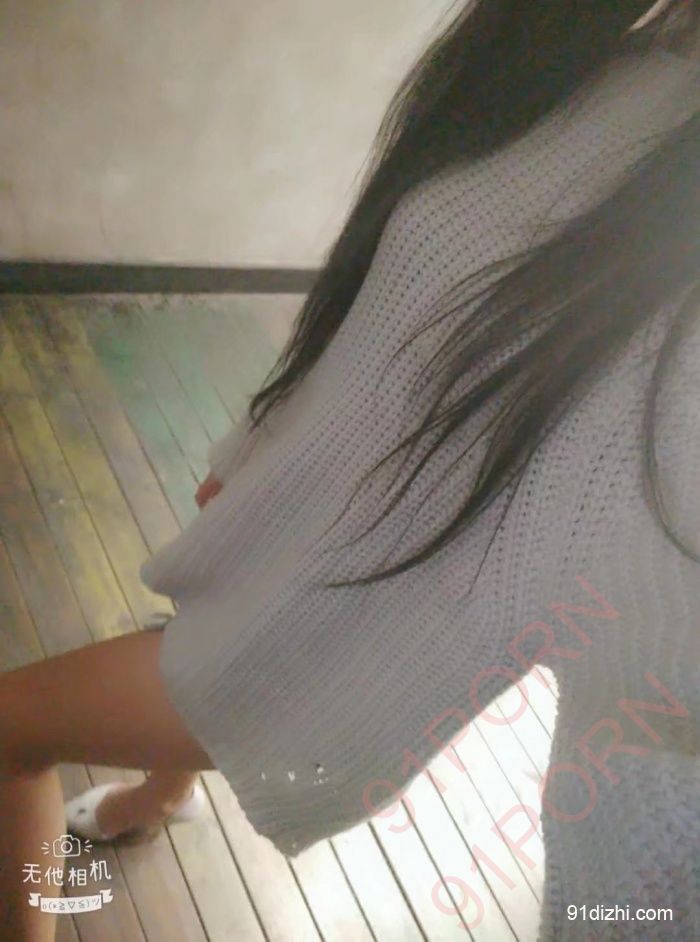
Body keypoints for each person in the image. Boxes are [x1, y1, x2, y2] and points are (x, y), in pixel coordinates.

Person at [2, 2, 699, 939]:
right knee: (207, 607)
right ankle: (163, 796)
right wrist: (265, 448)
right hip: (345, 519)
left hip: (577, 736)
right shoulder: (613, 56)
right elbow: (399, 295)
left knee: (11, 729)